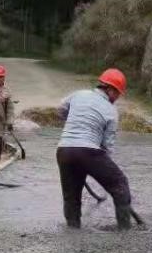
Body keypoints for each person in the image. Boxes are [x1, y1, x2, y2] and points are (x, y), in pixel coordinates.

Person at [56, 68, 134, 230]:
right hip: (89, 152)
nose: (117, 98)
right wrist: (103, 165)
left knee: (71, 196)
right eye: (117, 94)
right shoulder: (111, 111)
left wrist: (73, 124)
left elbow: (61, 109)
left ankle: (73, 231)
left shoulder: (78, 94)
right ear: (110, 89)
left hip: (64, 150)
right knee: (120, 184)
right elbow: (107, 145)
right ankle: (125, 232)